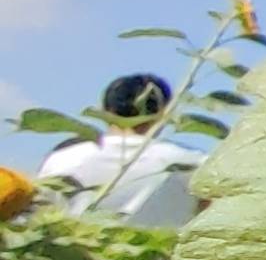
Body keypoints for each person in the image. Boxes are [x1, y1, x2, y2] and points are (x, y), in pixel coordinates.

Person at [37, 73, 202, 229]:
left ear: (105, 110)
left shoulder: (62, 158)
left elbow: (38, 219)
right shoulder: (195, 163)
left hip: (75, 254)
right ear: (165, 112)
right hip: (159, 255)